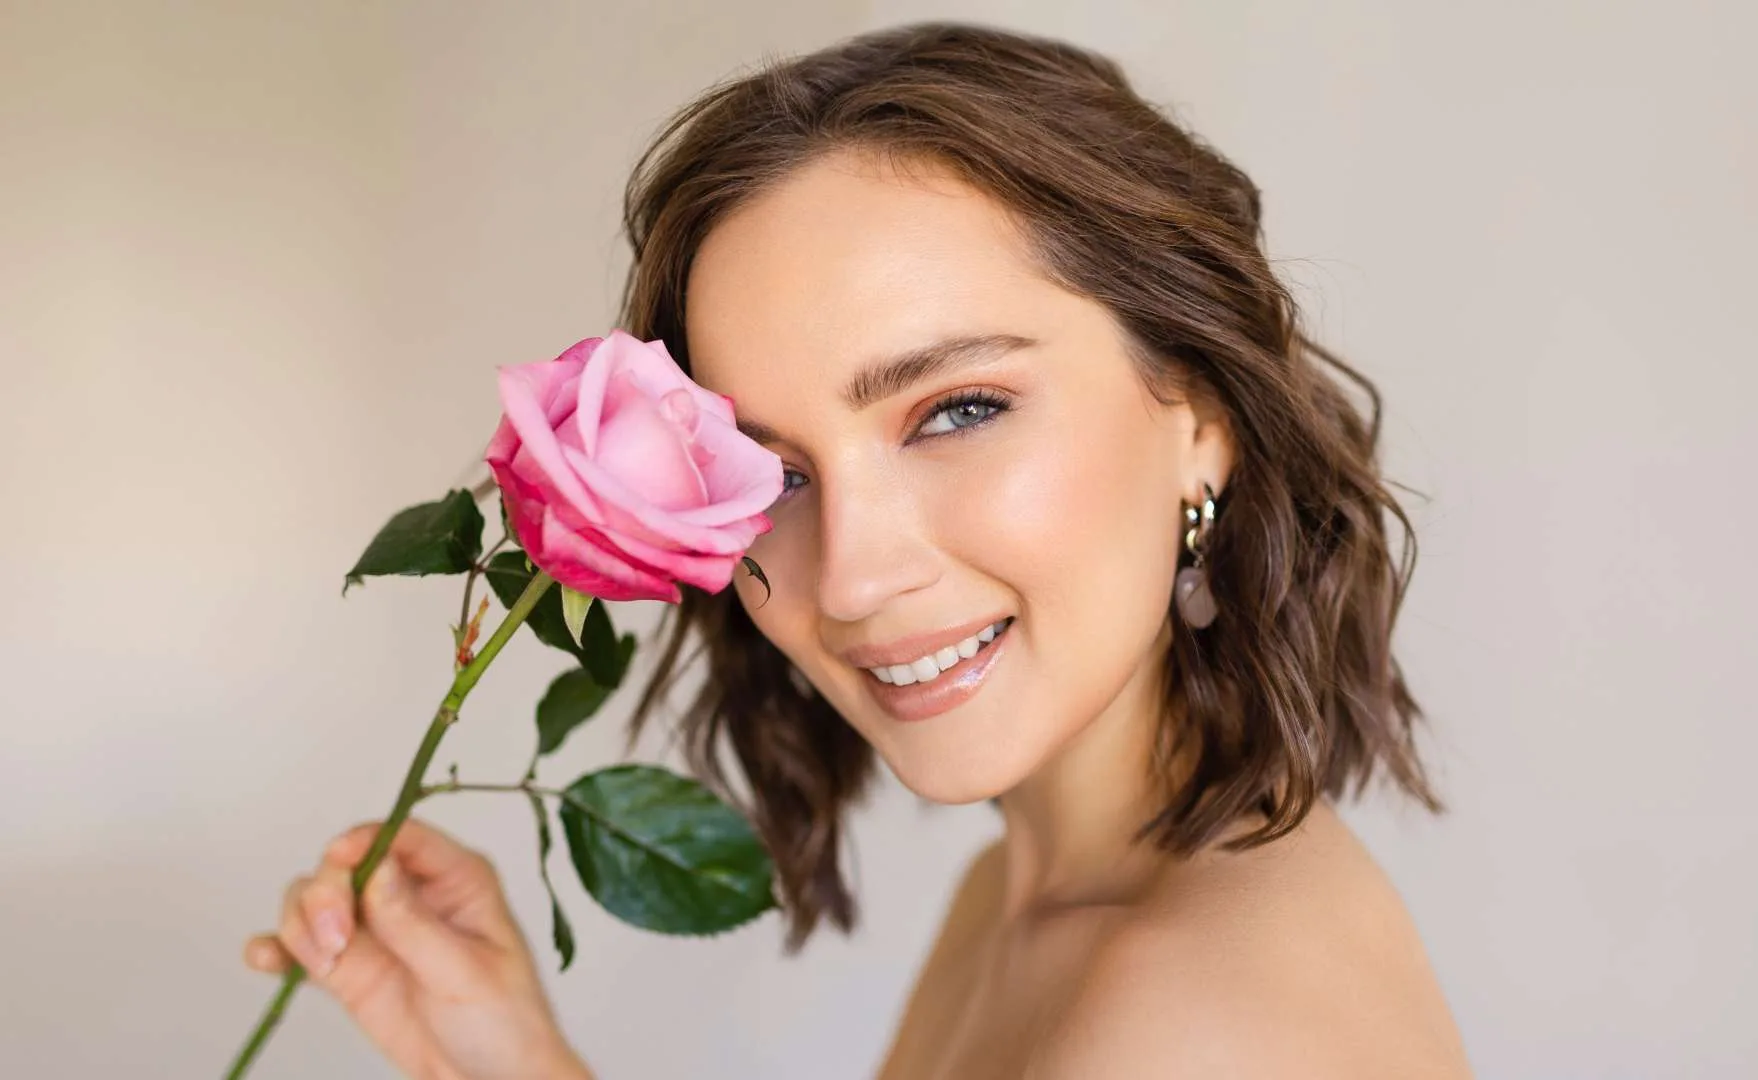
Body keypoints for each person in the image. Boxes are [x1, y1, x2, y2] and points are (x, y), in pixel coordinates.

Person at [244, 22, 1473, 1079]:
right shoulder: (1027, 899)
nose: (850, 574)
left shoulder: (1198, 1017)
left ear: (1198, 415)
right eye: (772, 473)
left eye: (957, 411)